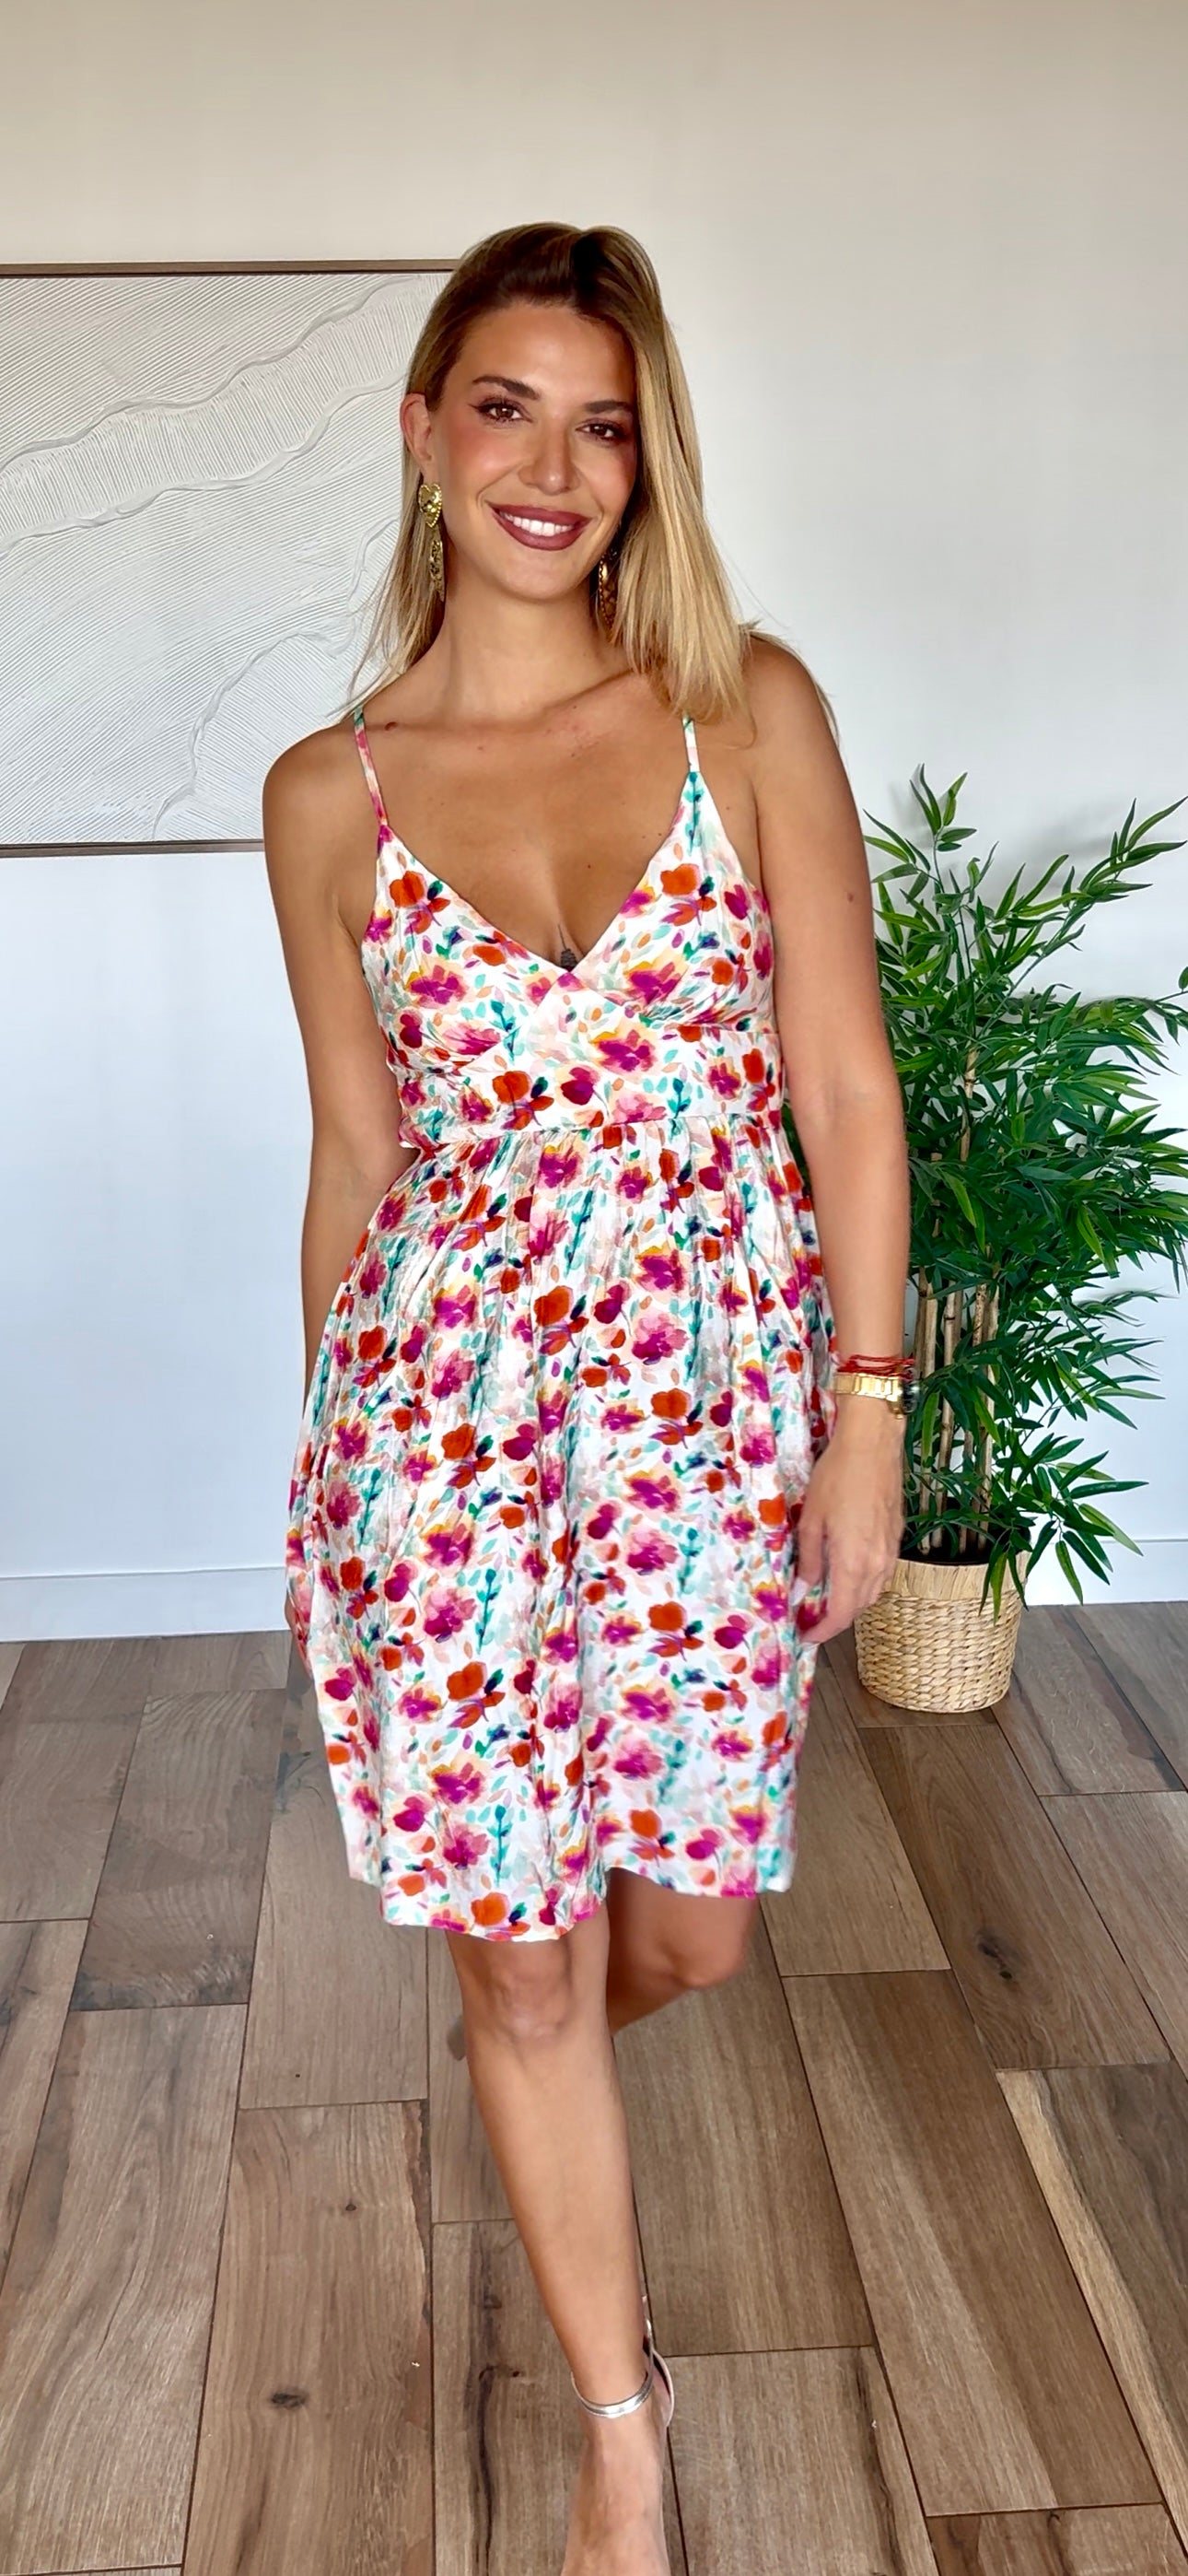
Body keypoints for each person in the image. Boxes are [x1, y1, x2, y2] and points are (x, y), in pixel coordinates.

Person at [263, 220, 909, 2576]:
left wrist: (868, 1410)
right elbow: (360, 1158)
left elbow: (843, 1088)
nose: (552, 467)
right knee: (526, 1956)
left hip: (704, 1419)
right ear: (424, 432)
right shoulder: (328, 796)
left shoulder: (746, 713)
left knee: (693, 1928)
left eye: (604, 424)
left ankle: (527, 2064)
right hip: (433, 1428)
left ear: (651, 464)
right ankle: (623, 2441)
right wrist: (324, 1477)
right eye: (507, 408)